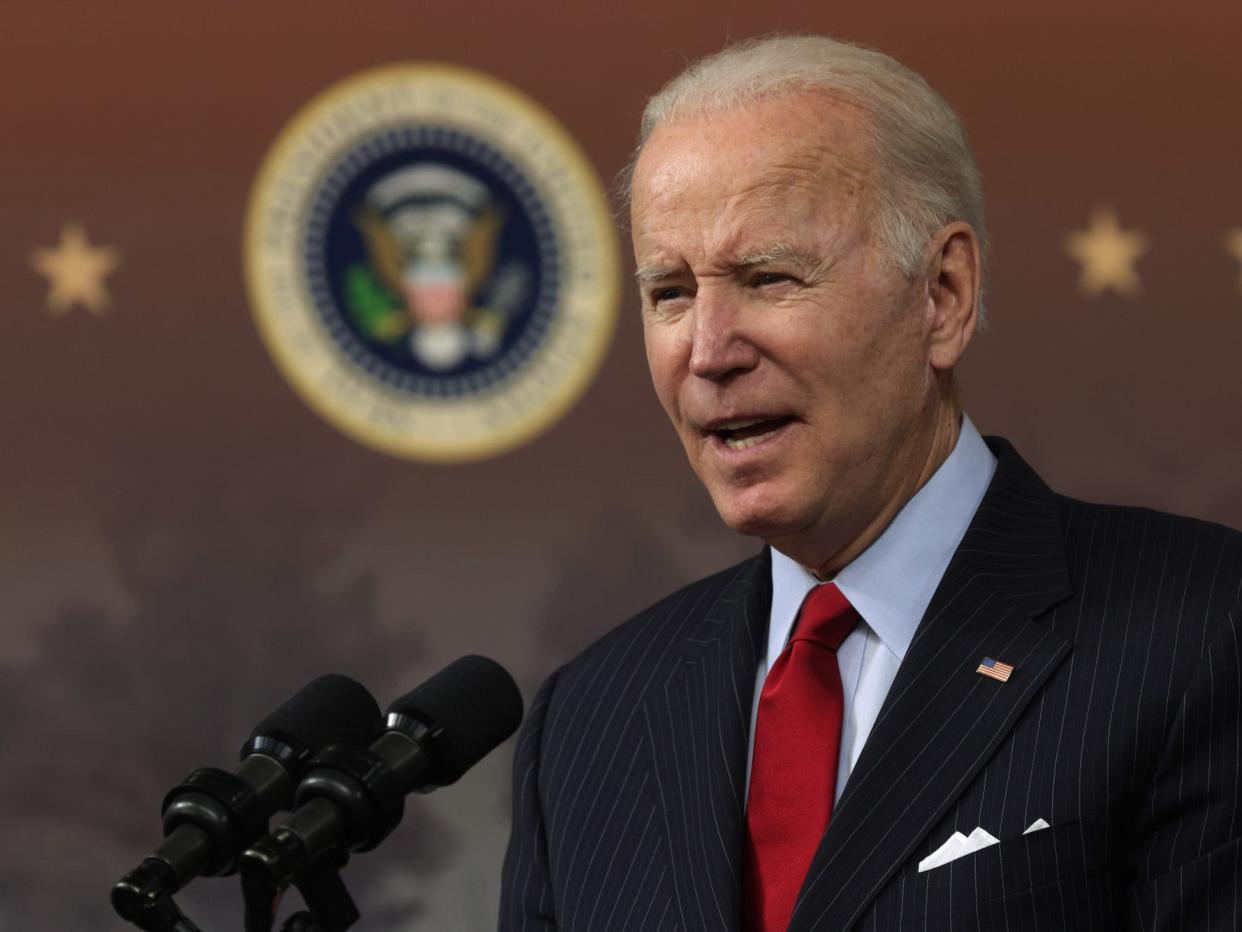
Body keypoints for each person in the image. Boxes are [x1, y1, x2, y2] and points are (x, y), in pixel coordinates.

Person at [500, 34, 1242, 931]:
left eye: (769, 277)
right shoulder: (590, 721)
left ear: (942, 295)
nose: (707, 350)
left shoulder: (1203, 631)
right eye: (670, 292)